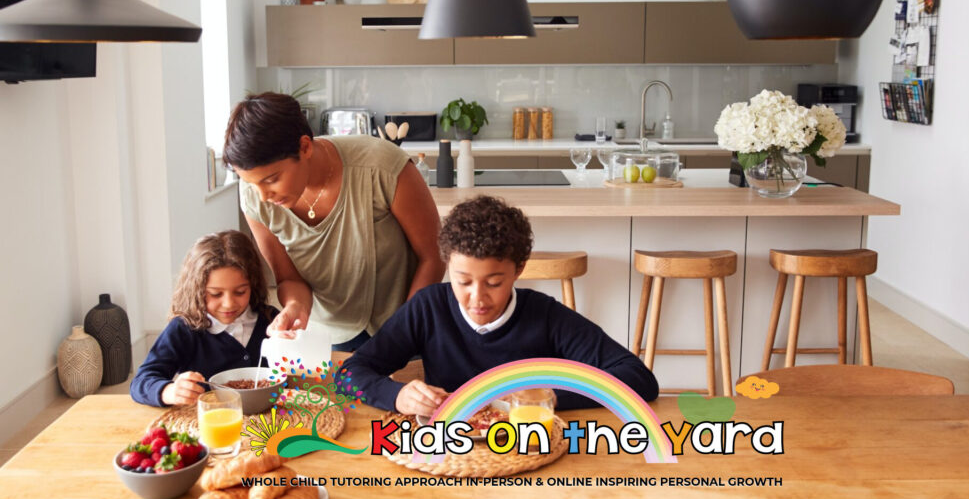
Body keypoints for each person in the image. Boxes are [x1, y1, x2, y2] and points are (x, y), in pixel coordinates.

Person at [343, 195, 659, 415]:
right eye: (463, 281)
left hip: (529, 448)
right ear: (448, 266)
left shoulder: (545, 315)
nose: (477, 298)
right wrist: (397, 395)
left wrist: (537, 397)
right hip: (450, 451)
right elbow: (350, 373)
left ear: (518, 269)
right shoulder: (429, 308)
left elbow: (639, 379)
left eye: (494, 283)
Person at [222, 93, 445, 351]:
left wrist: (406, 329)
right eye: (252, 183)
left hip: (404, 323)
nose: (263, 196)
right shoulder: (254, 197)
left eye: (272, 179)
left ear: (304, 147)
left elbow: (433, 254)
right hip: (327, 336)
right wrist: (295, 308)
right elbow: (289, 279)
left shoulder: (381, 167)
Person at [130, 231, 277, 407]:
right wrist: (168, 391)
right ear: (197, 290)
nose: (228, 304)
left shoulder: (270, 320)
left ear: (253, 286)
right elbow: (141, 382)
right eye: (215, 294)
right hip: (211, 424)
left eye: (240, 292)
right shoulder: (184, 328)